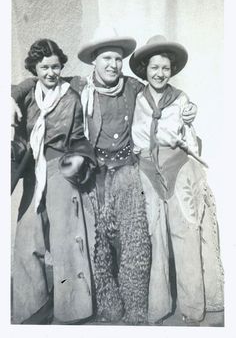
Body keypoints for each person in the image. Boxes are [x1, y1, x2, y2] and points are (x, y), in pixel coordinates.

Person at [11, 28, 197, 325]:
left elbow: (165, 93)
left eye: (118, 59)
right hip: (94, 171)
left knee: (134, 241)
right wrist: (11, 96)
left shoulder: (133, 87)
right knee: (96, 243)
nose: (113, 65)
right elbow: (36, 80)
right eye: (107, 58)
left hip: (126, 169)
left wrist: (188, 109)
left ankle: (136, 305)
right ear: (94, 62)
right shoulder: (80, 86)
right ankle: (106, 305)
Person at [130, 35, 224, 325]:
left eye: (166, 68)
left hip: (177, 169)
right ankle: (158, 307)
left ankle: (193, 307)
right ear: (145, 68)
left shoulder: (181, 100)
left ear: (172, 71)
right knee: (155, 237)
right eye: (155, 67)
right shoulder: (137, 98)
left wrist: (190, 116)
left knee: (184, 236)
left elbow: (187, 129)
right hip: (148, 170)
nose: (160, 73)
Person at [11, 39, 97, 324]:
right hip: (33, 173)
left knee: (65, 241)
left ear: (62, 66)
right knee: (27, 239)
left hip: (60, 170)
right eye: (44, 67)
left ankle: (72, 309)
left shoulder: (71, 98)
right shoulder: (24, 96)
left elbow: (79, 138)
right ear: (35, 68)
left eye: (56, 66)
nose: (50, 72)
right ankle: (33, 307)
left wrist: (79, 159)